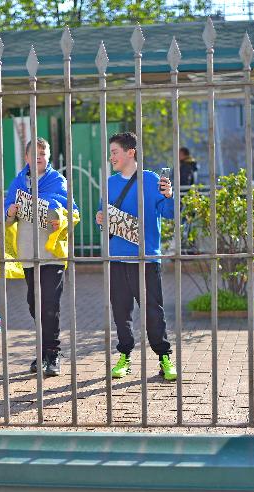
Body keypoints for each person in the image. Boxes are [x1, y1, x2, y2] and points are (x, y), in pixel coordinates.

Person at [95, 132, 178, 381]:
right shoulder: (109, 183)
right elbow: (104, 218)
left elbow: (170, 214)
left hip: (146, 260)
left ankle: (164, 358)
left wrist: (169, 196)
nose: (111, 157)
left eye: (114, 152)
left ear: (130, 152)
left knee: (154, 311)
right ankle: (125, 357)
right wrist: (101, 219)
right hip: (117, 259)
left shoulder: (152, 180)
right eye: (110, 153)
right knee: (121, 312)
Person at [2, 137, 78, 377]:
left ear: (48, 158)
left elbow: (71, 212)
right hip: (28, 253)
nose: (38, 158)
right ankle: (43, 350)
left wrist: (61, 217)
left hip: (51, 253)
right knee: (34, 304)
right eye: (33, 154)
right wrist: (10, 211)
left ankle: (52, 353)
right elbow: (7, 211)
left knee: (50, 303)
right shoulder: (17, 182)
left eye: (42, 154)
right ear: (26, 158)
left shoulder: (58, 180)